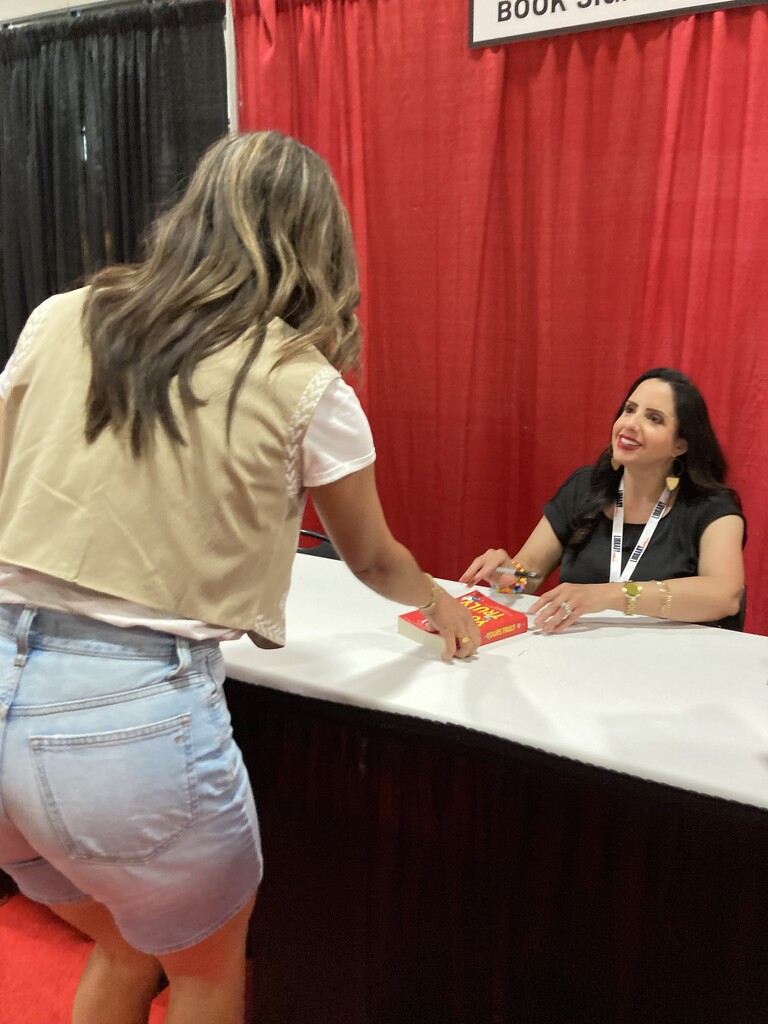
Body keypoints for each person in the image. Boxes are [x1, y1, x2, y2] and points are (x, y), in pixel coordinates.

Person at [0, 131, 480, 1024]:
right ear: (319, 243)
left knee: (121, 940)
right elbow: (372, 558)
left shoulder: (61, 316)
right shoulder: (304, 382)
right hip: (124, 718)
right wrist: (440, 600)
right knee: (207, 970)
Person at [461, 368, 745, 634]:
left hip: (672, 666)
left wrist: (609, 595)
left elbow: (725, 595)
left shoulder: (713, 508)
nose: (631, 424)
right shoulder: (585, 486)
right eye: (629, 409)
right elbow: (529, 574)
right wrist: (507, 574)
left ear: (679, 445)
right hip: (582, 655)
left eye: (654, 418)